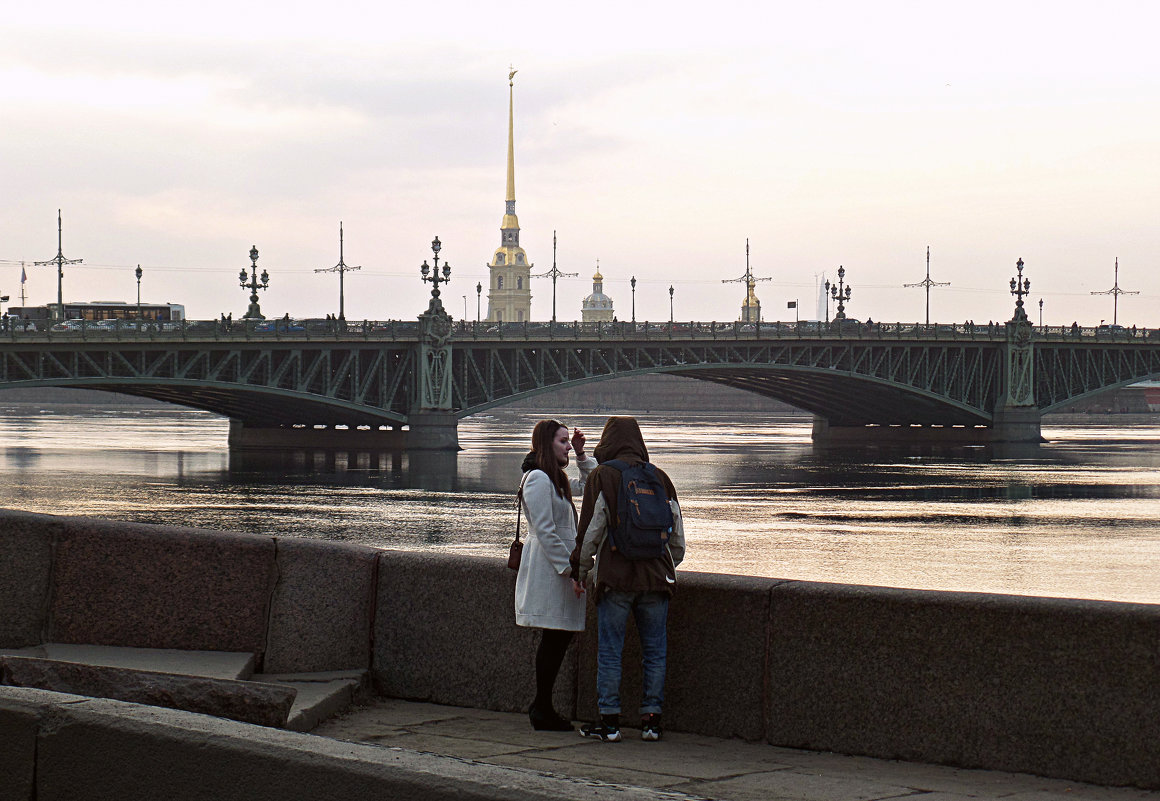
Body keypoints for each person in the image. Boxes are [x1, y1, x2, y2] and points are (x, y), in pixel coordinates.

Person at [571, 416, 684, 743]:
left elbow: (590, 534)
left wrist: (581, 573)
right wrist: (663, 567)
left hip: (615, 580)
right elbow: (677, 542)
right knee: (655, 651)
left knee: (610, 650)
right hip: (656, 580)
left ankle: (609, 724)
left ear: (607, 443)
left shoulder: (603, 476)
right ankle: (651, 722)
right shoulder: (661, 478)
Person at [515, 419, 595, 731]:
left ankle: (542, 706)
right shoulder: (536, 479)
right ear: (547, 444)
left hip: (557, 570)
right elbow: (546, 532)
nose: (566, 445)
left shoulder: (555, 479)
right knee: (553, 638)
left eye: (568, 441)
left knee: (558, 638)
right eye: (562, 442)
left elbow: (592, 485)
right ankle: (542, 707)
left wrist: (581, 455)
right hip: (549, 571)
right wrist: (570, 570)